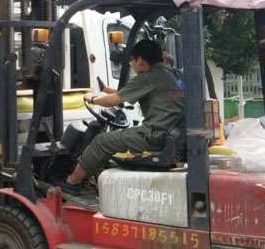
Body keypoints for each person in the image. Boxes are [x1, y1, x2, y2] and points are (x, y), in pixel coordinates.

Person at [66, 40, 184, 186]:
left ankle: (72, 182)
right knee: (115, 141)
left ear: (140, 60)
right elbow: (127, 92)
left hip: (154, 135)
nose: (131, 64)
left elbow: (112, 101)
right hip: (172, 133)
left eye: (132, 60)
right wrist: (106, 91)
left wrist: (92, 99)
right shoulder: (175, 74)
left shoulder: (148, 77)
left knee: (101, 142)